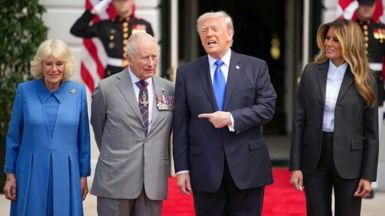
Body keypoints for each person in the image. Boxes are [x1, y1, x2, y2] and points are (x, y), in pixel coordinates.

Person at [173, 11, 276, 216]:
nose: (208, 34)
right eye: (204, 31)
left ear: (229, 34)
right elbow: (180, 124)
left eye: (214, 29)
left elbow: (267, 108)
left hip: (247, 166)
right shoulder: (187, 73)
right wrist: (182, 169)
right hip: (205, 168)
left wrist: (231, 118)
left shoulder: (255, 67)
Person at [289, 19, 379, 216]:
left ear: (349, 43)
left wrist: (368, 176)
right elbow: (299, 122)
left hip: (351, 159)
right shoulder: (311, 72)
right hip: (314, 156)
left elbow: (372, 133)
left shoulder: (365, 77)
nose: (328, 44)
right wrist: (295, 167)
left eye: (336, 40)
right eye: (327, 38)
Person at [3, 39, 91, 216]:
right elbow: (14, 136)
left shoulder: (78, 92)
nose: (54, 69)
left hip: (66, 171)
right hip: (30, 169)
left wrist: (83, 176)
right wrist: (10, 176)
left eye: (59, 63)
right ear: (40, 66)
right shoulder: (24, 91)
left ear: (66, 66)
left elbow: (84, 139)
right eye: (48, 63)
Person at [90, 32, 174, 216]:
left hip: (152, 184)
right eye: (145, 58)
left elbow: (168, 131)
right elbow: (99, 129)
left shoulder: (169, 89)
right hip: (115, 181)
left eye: (154, 57)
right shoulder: (106, 89)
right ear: (129, 58)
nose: (151, 63)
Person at [70, 0, 154, 78]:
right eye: (118, 0)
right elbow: (76, 30)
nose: (122, 3)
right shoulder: (105, 25)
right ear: (113, 2)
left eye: (125, 0)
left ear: (132, 1)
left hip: (138, 73)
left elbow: (152, 53)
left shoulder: (145, 25)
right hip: (113, 74)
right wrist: (95, 10)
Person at [355, 0, 385, 198]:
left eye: (370, 5)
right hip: (353, 86)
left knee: (373, 134)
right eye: (363, 4)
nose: (366, 8)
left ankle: (370, 183)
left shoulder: (381, 29)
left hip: (377, 89)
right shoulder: (349, 28)